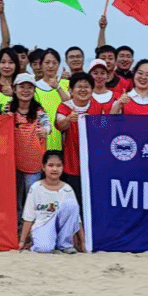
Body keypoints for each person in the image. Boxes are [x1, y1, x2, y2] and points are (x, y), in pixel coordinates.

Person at [17, 151, 84, 254]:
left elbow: (76, 219)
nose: (54, 169)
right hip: (42, 226)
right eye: (51, 165)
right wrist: (22, 241)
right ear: (43, 167)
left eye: (58, 166)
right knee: (44, 248)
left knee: (72, 204)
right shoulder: (36, 188)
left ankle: (64, 244)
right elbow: (28, 217)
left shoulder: (67, 189)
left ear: (63, 167)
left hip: (62, 229)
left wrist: (83, 242)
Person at [8, 73, 51, 211]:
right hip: (12, 163)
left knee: (31, 200)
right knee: (14, 200)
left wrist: (45, 130)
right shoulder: (8, 109)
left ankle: (30, 224)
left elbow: (48, 126)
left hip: (33, 164)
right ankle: (17, 223)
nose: (26, 90)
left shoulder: (39, 111)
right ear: (14, 89)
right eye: (22, 87)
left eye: (30, 87)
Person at [55, 72, 93, 207]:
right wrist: (68, 119)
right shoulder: (65, 107)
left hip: (93, 164)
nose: (83, 90)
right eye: (79, 87)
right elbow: (60, 124)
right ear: (71, 90)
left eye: (86, 87)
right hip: (72, 162)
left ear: (92, 90)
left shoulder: (97, 107)